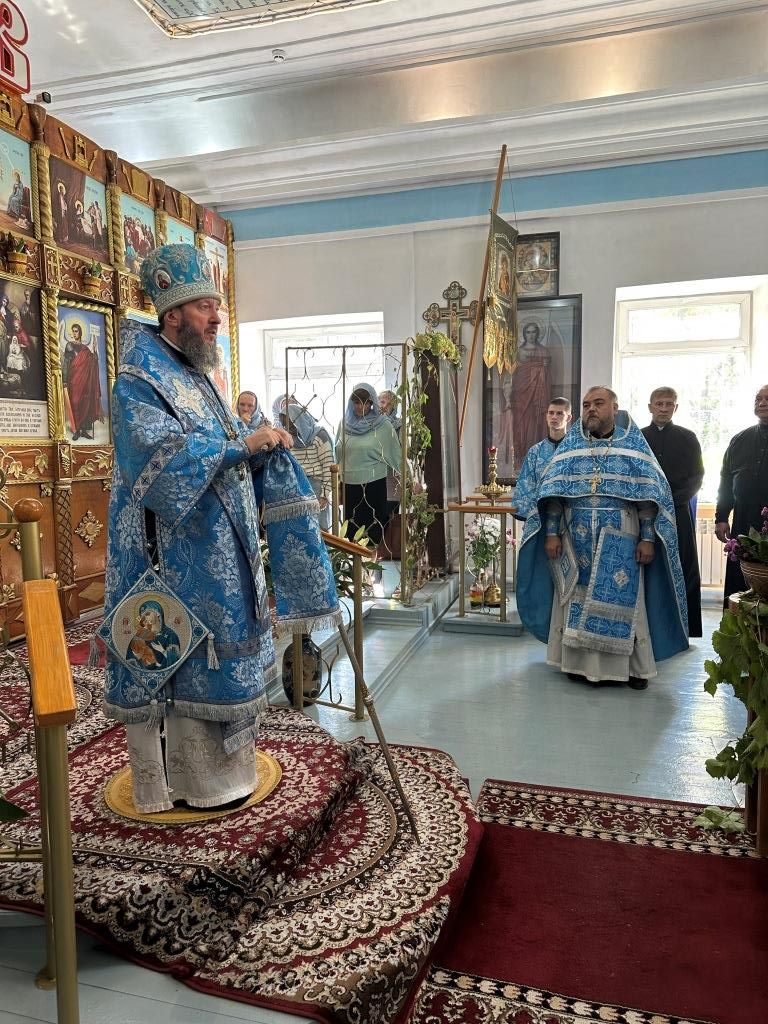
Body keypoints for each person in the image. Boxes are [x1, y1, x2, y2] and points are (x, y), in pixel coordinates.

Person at [103, 243, 340, 815]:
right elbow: (155, 460)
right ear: (173, 314)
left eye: (217, 307)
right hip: (169, 559)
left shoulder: (197, 375)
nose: (216, 318)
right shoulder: (140, 377)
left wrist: (261, 450)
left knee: (224, 655)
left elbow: (227, 444)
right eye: (205, 307)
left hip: (218, 548)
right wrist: (241, 446)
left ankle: (223, 778)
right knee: (181, 660)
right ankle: (180, 783)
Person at [517, 386, 688, 690]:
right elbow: (554, 496)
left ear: (614, 408)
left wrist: (648, 538)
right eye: (586, 405)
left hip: (622, 534)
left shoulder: (633, 446)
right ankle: (578, 665)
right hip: (577, 536)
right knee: (576, 598)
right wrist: (552, 533)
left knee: (626, 599)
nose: (591, 409)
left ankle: (633, 669)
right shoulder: (570, 448)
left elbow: (649, 498)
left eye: (598, 403)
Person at [641, 387, 704, 636]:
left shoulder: (688, 437)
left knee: (683, 565)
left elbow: (696, 476)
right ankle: (646, 626)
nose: (664, 409)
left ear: (676, 408)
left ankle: (683, 627)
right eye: (660, 404)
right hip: (646, 511)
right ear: (650, 407)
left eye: (669, 404)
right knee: (646, 565)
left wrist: (672, 502)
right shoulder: (638, 437)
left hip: (678, 512)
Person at [715, 384, 768, 604]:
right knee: (739, 585)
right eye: (758, 399)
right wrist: (721, 517)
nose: (762, 403)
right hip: (743, 521)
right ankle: (736, 626)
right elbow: (726, 481)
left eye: (767, 399)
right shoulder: (739, 439)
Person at [336, 383, 401, 547]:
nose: (361, 407)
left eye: (366, 403)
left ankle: (375, 564)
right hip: (349, 485)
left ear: (372, 403)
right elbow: (337, 453)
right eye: (357, 402)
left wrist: (410, 480)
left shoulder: (383, 425)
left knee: (374, 534)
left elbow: (396, 454)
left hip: (374, 485)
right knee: (351, 535)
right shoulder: (344, 424)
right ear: (351, 403)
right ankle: (354, 564)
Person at [513, 397, 572, 520]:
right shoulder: (535, 451)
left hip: (570, 516)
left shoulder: (575, 450)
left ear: (568, 418)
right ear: (546, 416)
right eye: (551, 413)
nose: (554, 417)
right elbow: (526, 483)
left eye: (559, 413)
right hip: (541, 515)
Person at [282, 402, 335, 530]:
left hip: (316, 487)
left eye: (290, 424)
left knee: (319, 531)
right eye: (284, 425)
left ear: (298, 420)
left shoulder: (319, 435)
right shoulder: (288, 438)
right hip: (296, 487)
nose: (287, 429)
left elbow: (329, 467)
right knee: (301, 530)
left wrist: (324, 495)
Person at [510, 320, 551, 474]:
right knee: (521, 424)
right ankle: (520, 457)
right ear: (524, 334)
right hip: (521, 394)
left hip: (538, 394)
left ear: (538, 334)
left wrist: (543, 368)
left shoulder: (543, 351)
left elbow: (547, 375)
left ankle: (536, 458)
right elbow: (514, 374)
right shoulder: (518, 352)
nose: (531, 335)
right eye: (528, 332)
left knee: (536, 423)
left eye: (534, 332)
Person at [62, 321, 103, 441]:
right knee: (75, 402)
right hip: (74, 380)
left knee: (86, 403)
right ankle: (77, 430)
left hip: (85, 382)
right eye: (73, 331)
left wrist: (95, 350)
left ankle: (83, 430)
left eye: (77, 331)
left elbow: (93, 362)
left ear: (80, 332)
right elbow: (66, 363)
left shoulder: (85, 349)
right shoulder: (69, 345)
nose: (75, 333)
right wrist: (64, 379)